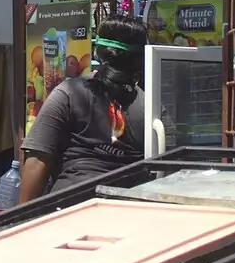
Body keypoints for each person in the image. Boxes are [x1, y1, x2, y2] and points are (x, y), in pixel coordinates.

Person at [19, 15, 147, 201]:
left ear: (99, 53)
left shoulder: (68, 93)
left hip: (72, 208)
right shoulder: (150, 105)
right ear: (141, 60)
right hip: (129, 210)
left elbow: (38, 160)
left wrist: (19, 221)